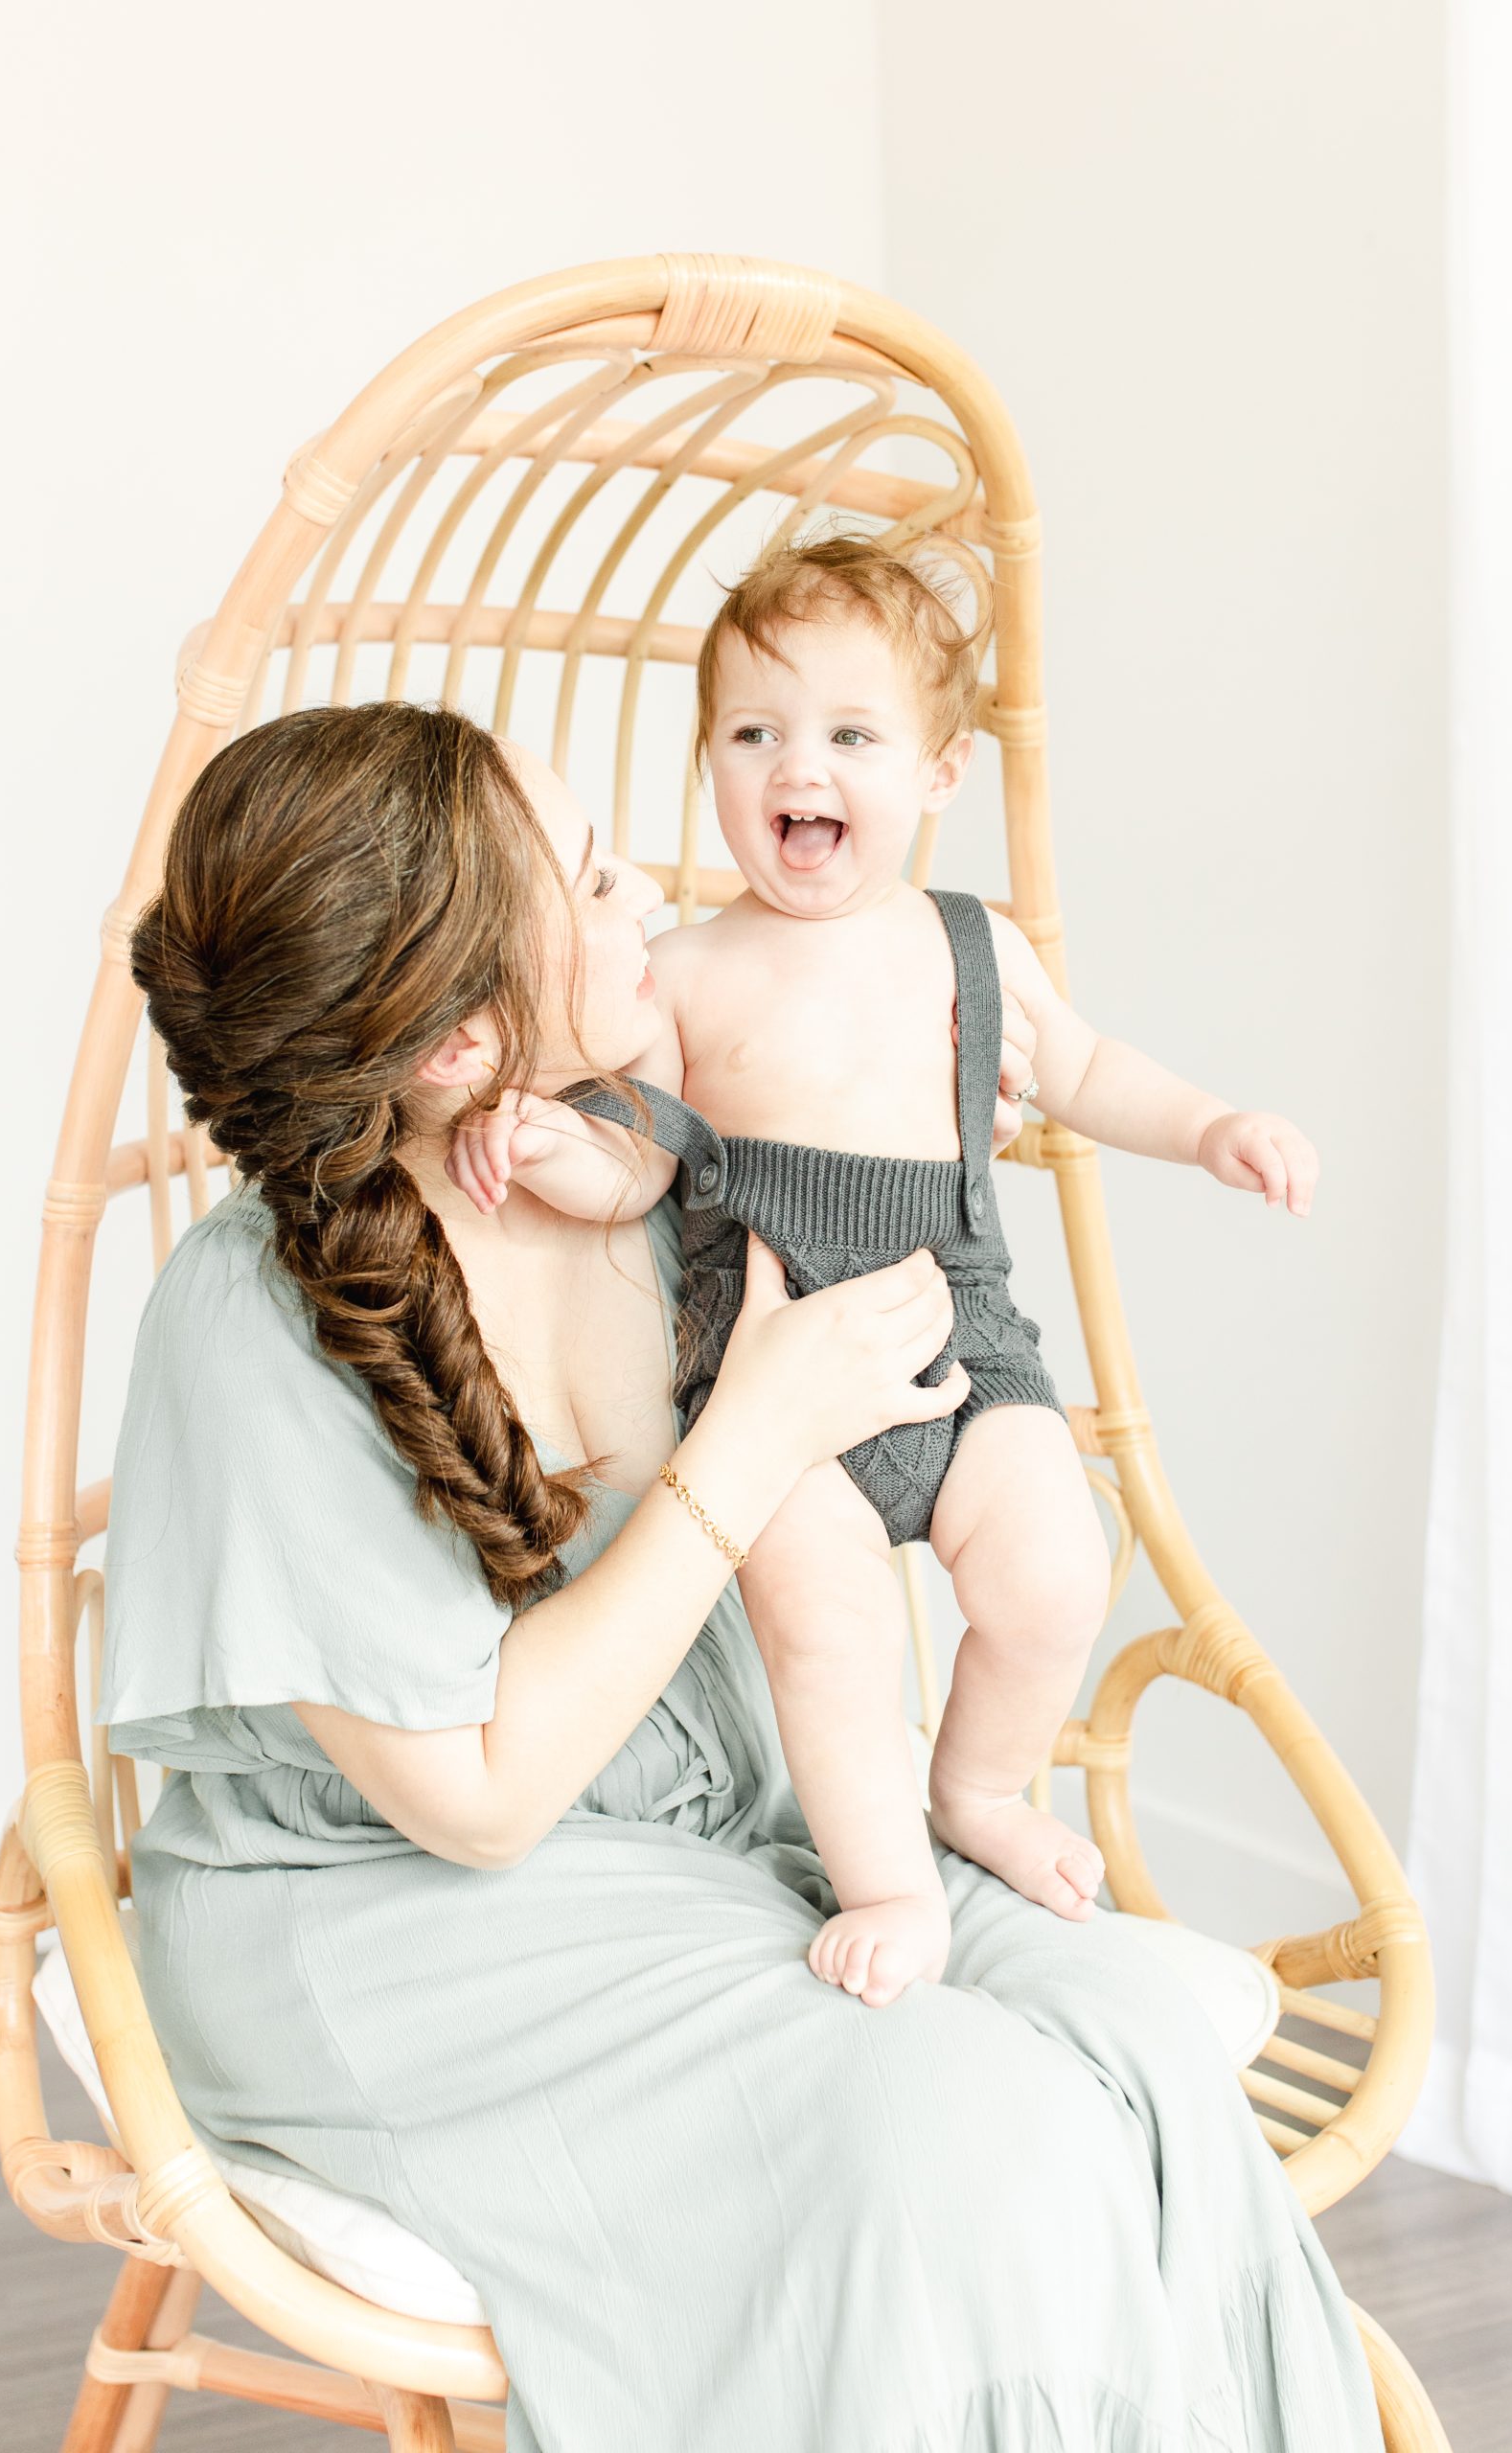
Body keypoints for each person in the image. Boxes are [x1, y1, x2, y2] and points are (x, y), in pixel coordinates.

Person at [101, 699, 1378, 2452]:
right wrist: (748, 1440)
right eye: (588, 876)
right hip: (400, 1931)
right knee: (950, 2123)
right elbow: (478, 1804)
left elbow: (912, 1286)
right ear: (464, 1044)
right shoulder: (246, 1320)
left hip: (710, 1837)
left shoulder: (640, 1166)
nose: (644, 892)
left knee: (1130, 2034)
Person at [444, 533, 1321, 2009]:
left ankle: (978, 1787)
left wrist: (1213, 1126)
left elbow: (1091, 1070)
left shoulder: (970, 945)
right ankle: (894, 1887)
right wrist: (542, 1147)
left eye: (852, 734)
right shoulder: (689, 969)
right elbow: (643, 1166)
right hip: (775, 1378)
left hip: (962, 1333)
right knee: (830, 1641)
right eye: (755, 732)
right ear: (711, 759)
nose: (801, 765)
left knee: (1051, 1571)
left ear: (938, 775)